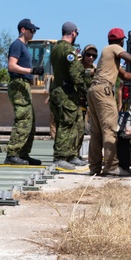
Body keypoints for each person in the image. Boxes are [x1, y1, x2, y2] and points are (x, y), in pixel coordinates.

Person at [87, 28, 131, 176]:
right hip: (103, 91)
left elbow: (126, 75)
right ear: (121, 41)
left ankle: (94, 168)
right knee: (109, 130)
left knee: (96, 133)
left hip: (94, 90)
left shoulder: (107, 54)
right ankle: (111, 167)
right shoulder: (114, 48)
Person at [5, 18, 44, 165]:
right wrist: (31, 70)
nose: (33, 33)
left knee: (30, 121)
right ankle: (12, 154)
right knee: (23, 120)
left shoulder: (24, 47)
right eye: (31, 30)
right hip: (19, 84)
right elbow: (11, 66)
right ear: (23, 30)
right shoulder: (17, 45)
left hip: (24, 84)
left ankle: (23, 153)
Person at [49, 22, 88, 169]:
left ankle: (72, 155)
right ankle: (60, 157)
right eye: (76, 33)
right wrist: (84, 89)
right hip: (66, 92)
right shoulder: (68, 50)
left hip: (60, 90)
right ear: (73, 33)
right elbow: (74, 73)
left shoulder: (55, 48)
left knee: (76, 123)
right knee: (66, 124)